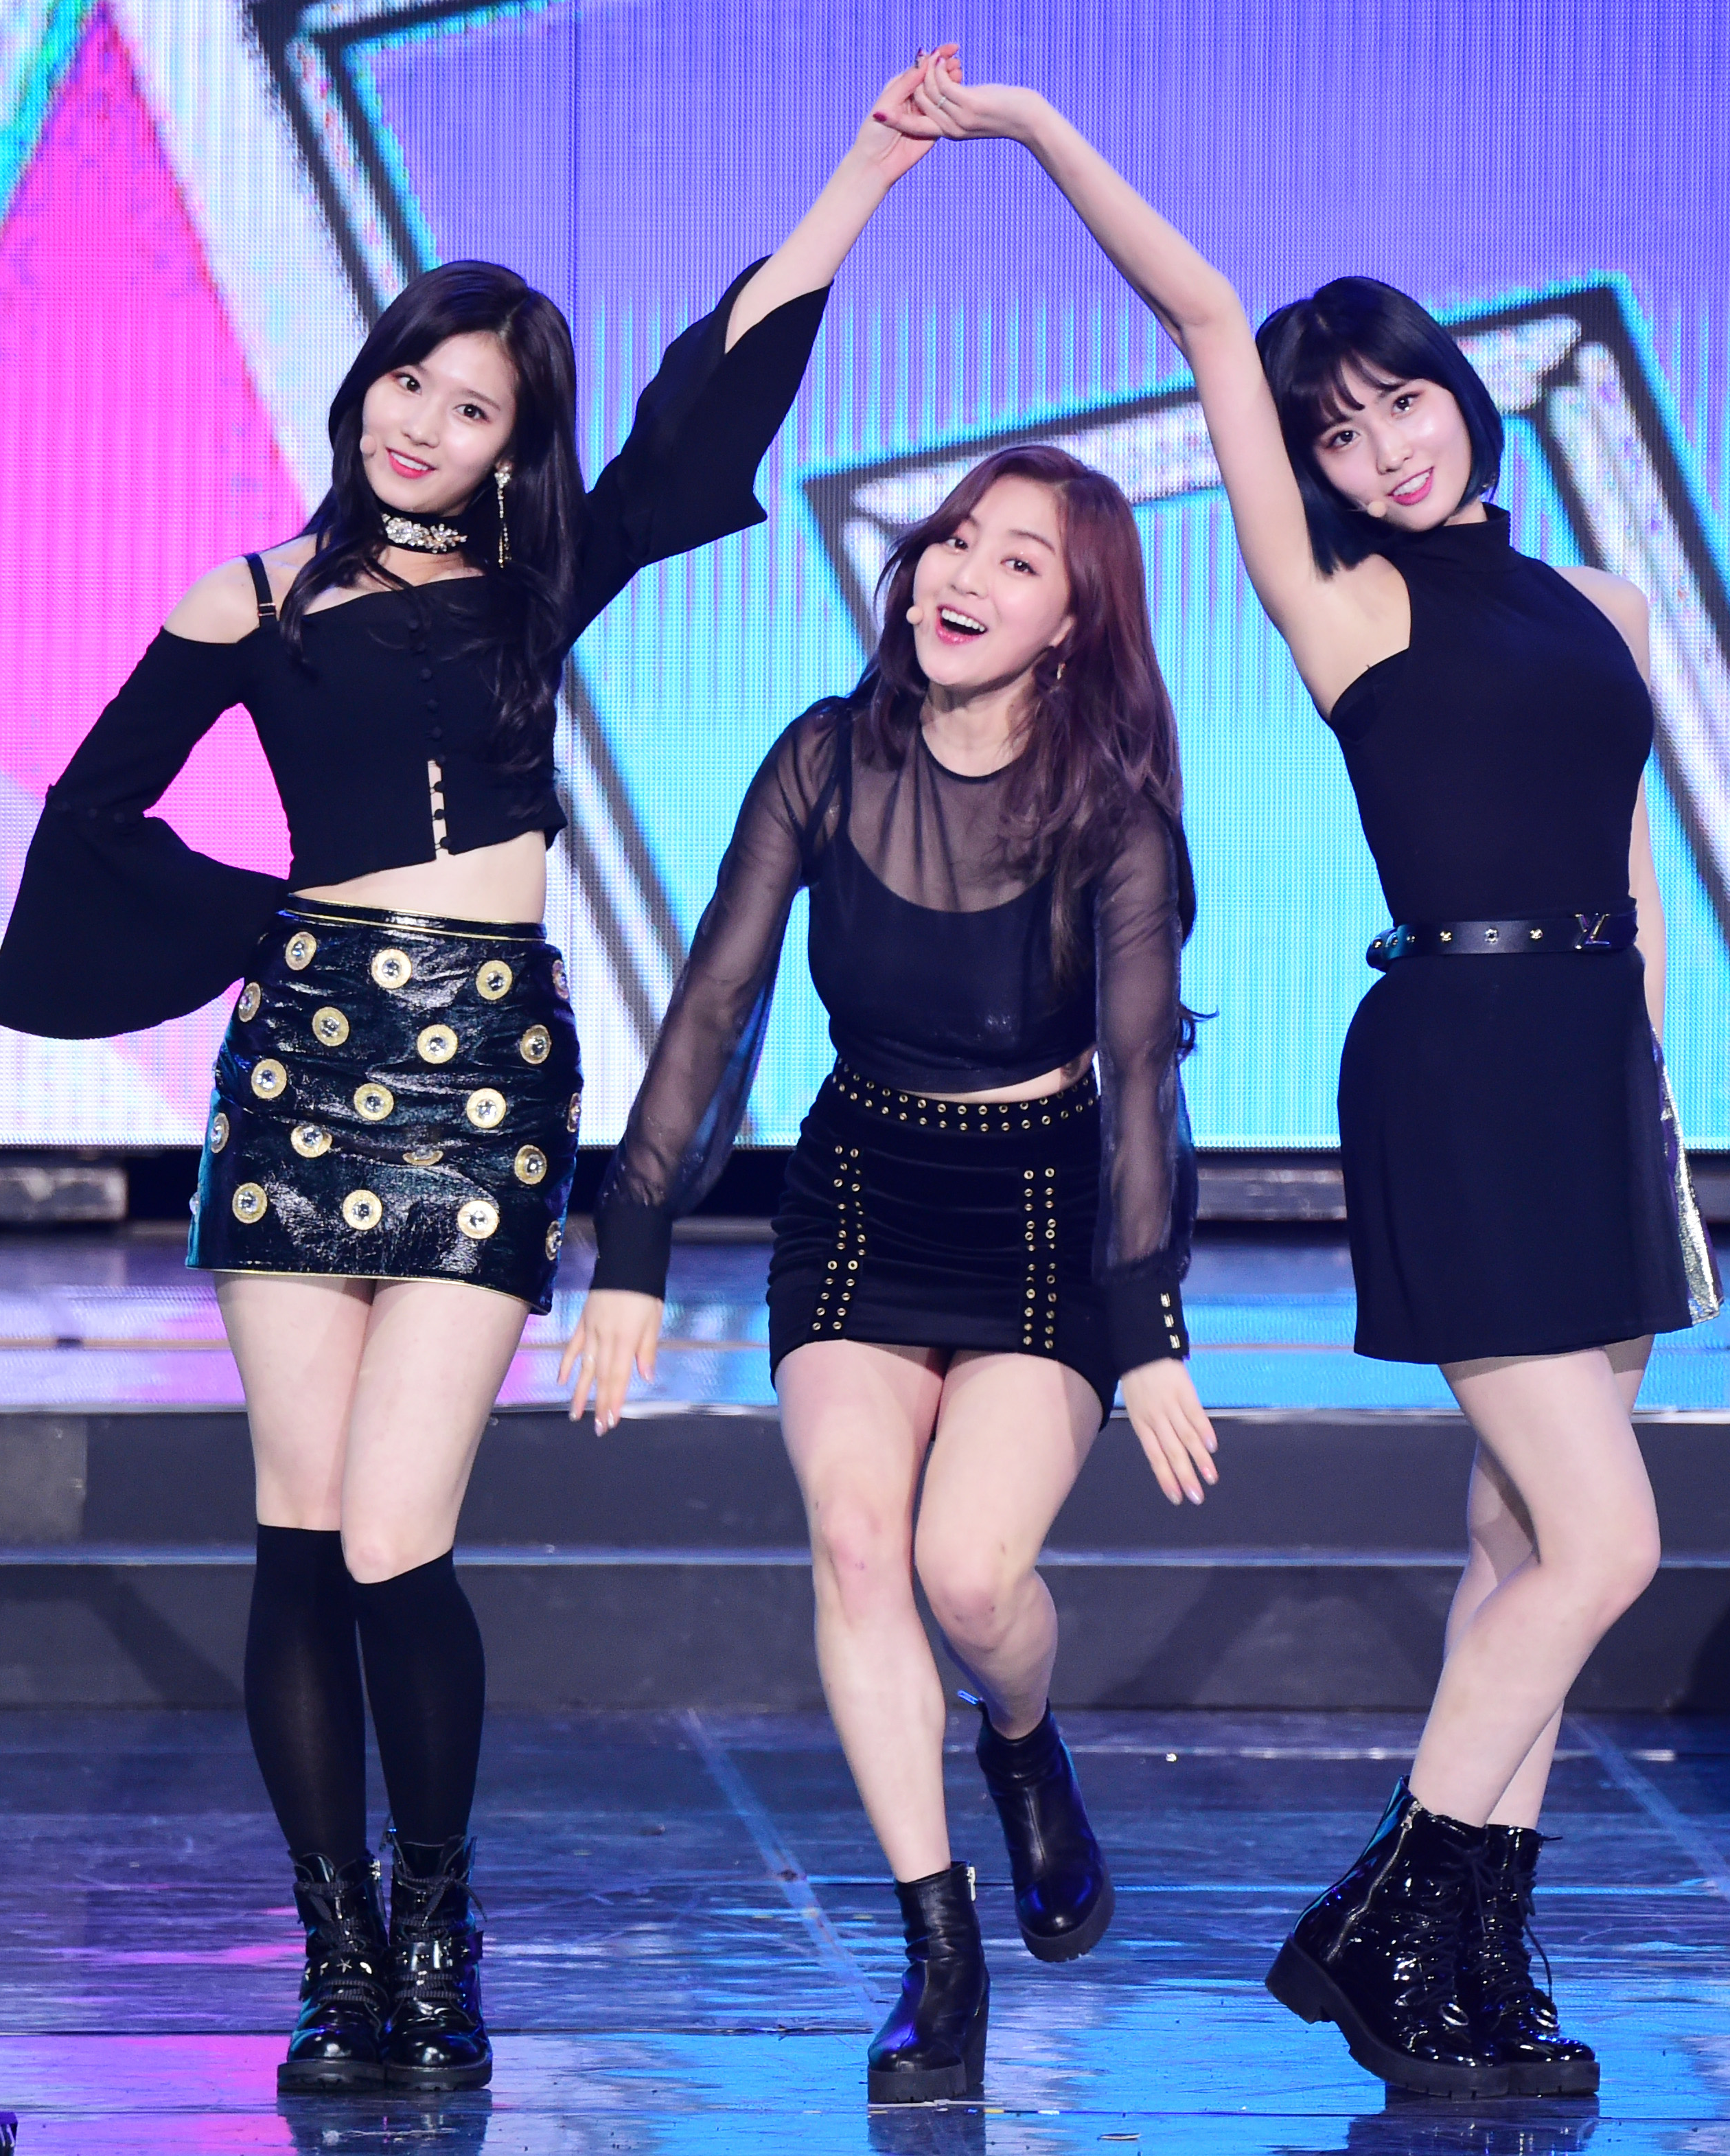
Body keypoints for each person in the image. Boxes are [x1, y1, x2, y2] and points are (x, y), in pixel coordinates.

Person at [0, 67, 946, 2096]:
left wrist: (862, 170)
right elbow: (88, 816)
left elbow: (704, 414)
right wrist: (270, 925)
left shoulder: (537, 580)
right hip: (302, 1077)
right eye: (406, 381)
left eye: (472, 405)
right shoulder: (250, 599)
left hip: (487, 1072)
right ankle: (339, 1958)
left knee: (399, 1534)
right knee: (301, 1520)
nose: (419, 420)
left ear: (516, 446)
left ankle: (439, 1927)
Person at [897, 58, 1717, 2101]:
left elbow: (1633, 878)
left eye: (1398, 402)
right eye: (1333, 431)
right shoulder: (1338, 599)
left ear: (1459, 393)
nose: (1378, 448)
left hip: (1594, 1077)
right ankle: (1384, 1917)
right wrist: (1035, 128)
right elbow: (1200, 316)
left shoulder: (1602, 602)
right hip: (1456, 1062)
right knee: (1604, 1545)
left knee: (1518, 1552)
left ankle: (1475, 1973)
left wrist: (1660, 1117)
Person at [562, 442, 1215, 2105]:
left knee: (969, 1578)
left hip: (1044, 1212)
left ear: (1073, 623)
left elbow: (1140, 1077)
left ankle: (1023, 1745)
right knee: (859, 1543)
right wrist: (632, 1241)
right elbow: (715, 1003)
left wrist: (1144, 1322)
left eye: (1017, 561)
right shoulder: (824, 755)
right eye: (953, 541)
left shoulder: (1114, 817)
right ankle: (938, 1952)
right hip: (859, 1193)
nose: (961, 576)